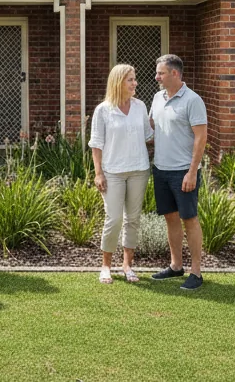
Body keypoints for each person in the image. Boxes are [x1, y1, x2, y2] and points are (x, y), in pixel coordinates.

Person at [89, 63, 153, 284]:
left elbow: (148, 135)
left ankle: (127, 266)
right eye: (130, 80)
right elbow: (96, 144)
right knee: (114, 219)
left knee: (133, 220)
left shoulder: (140, 107)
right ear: (118, 82)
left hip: (139, 170)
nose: (135, 83)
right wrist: (98, 174)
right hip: (112, 172)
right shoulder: (103, 110)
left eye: (134, 79)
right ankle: (106, 265)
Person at [149, 54, 208, 290]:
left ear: (175, 73)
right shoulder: (157, 97)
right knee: (170, 218)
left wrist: (192, 172)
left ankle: (196, 273)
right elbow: (152, 125)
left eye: (161, 73)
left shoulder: (193, 100)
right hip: (161, 169)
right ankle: (176, 266)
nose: (157, 77)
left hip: (183, 171)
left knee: (189, 219)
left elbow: (201, 137)